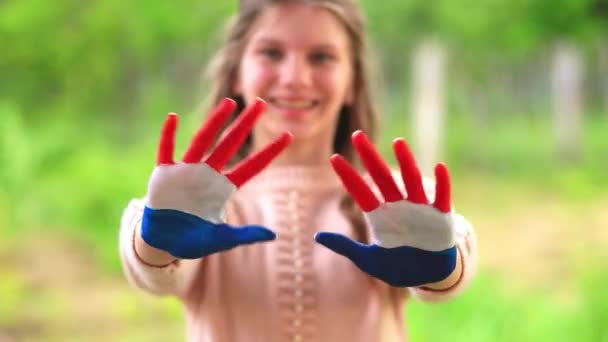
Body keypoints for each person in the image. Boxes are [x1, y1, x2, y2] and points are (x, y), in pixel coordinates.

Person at [119, 0, 478, 341]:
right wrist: (152, 243)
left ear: (353, 81)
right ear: (236, 74)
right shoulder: (200, 208)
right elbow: (157, 276)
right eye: (271, 53)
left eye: (321, 57)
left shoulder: (390, 208)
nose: (295, 78)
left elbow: (451, 267)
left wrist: (445, 265)